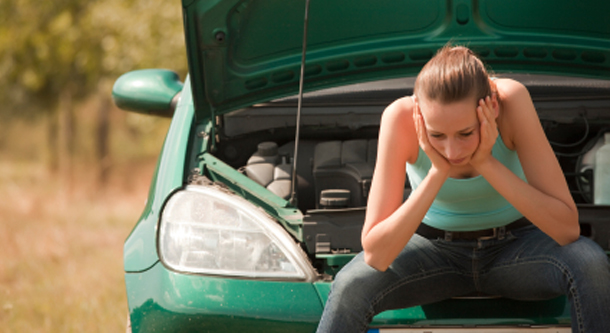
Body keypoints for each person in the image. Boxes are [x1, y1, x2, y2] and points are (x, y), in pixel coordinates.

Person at [316, 45, 610, 333]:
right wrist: (436, 173)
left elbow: (567, 229)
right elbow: (376, 256)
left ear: (491, 107)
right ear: (418, 114)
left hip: (517, 250)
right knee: (349, 285)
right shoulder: (399, 118)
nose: (451, 150)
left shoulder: (512, 101)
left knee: (590, 263)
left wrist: (487, 163)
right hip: (432, 253)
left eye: (465, 133)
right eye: (437, 135)